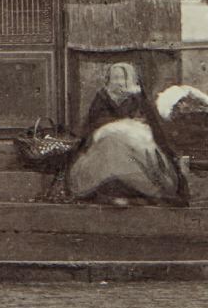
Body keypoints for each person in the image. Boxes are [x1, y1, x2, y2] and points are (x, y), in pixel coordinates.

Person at [66, 60, 188, 205]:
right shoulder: (102, 97)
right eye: (114, 78)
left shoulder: (138, 97)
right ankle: (110, 192)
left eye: (121, 78)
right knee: (109, 148)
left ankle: (133, 193)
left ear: (129, 79)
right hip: (106, 142)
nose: (118, 82)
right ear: (109, 80)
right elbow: (91, 123)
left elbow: (154, 126)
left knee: (135, 158)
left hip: (136, 144)